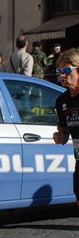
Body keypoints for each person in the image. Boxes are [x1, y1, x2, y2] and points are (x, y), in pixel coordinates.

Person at [52, 48, 79, 208]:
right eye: (60, 71)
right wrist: (60, 137)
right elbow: (64, 134)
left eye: (67, 70)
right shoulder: (62, 101)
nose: (62, 75)